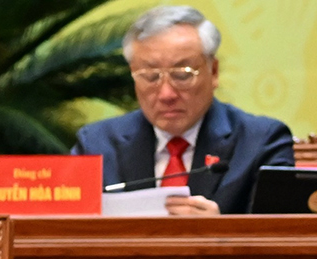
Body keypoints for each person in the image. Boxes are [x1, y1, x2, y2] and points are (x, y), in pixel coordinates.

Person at [72, 5, 294, 215]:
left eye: (182, 75)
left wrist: (221, 231)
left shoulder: (261, 142)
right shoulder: (96, 145)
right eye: (150, 76)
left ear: (214, 71)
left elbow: (280, 234)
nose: (166, 94)